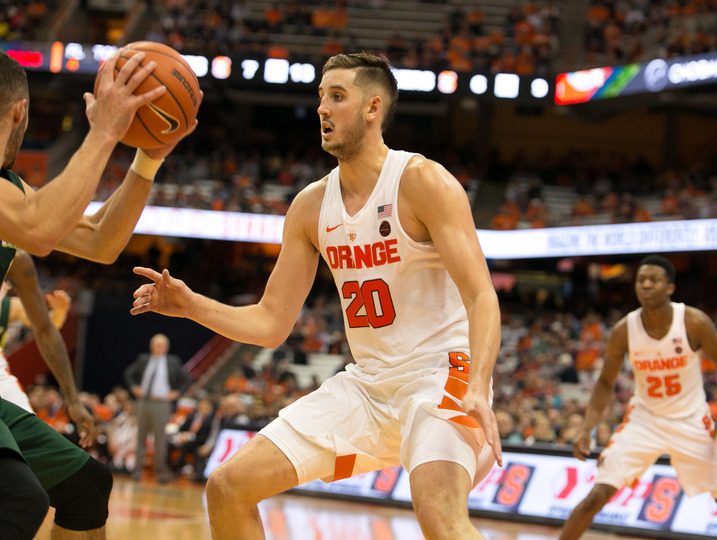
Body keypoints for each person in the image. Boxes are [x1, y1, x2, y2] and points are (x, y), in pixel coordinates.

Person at [131, 52, 502, 539]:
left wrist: (478, 385)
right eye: (321, 96)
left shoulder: (421, 181)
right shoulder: (309, 207)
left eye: (337, 97)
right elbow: (271, 323)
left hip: (439, 376)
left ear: (373, 108)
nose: (323, 108)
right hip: (367, 386)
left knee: (439, 517)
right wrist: (191, 305)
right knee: (227, 485)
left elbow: (481, 296)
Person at [0, 48, 197, 539]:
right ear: (20, 112)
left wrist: (148, 157)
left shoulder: (10, 190)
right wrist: (106, 129)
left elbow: (100, 241)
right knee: (18, 501)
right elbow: (41, 228)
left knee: (86, 485)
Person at [559, 255, 717, 540]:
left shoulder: (692, 321)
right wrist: (585, 428)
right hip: (644, 420)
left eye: (654, 280)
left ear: (670, 288)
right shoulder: (624, 330)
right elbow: (604, 382)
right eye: (641, 280)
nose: (646, 285)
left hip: (691, 420)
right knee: (595, 497)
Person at [0, 250, 95, 443]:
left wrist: (59, 311)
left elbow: (47, 327)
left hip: (2, 375)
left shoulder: (10, 305)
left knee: (29, 436)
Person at [123, 333, 191, 483]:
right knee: (140, 438)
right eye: (156, 344)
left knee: (160, 440)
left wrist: (177, 393)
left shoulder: (173, 362)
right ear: (151, 346)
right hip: (143, 402)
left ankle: (160, 473)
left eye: (161, 345)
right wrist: (134, 387)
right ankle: (136, 472)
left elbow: (187, 379)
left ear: (166, 347)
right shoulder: (144, 359)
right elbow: (129, 373)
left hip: (161, 404)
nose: (158, 347)